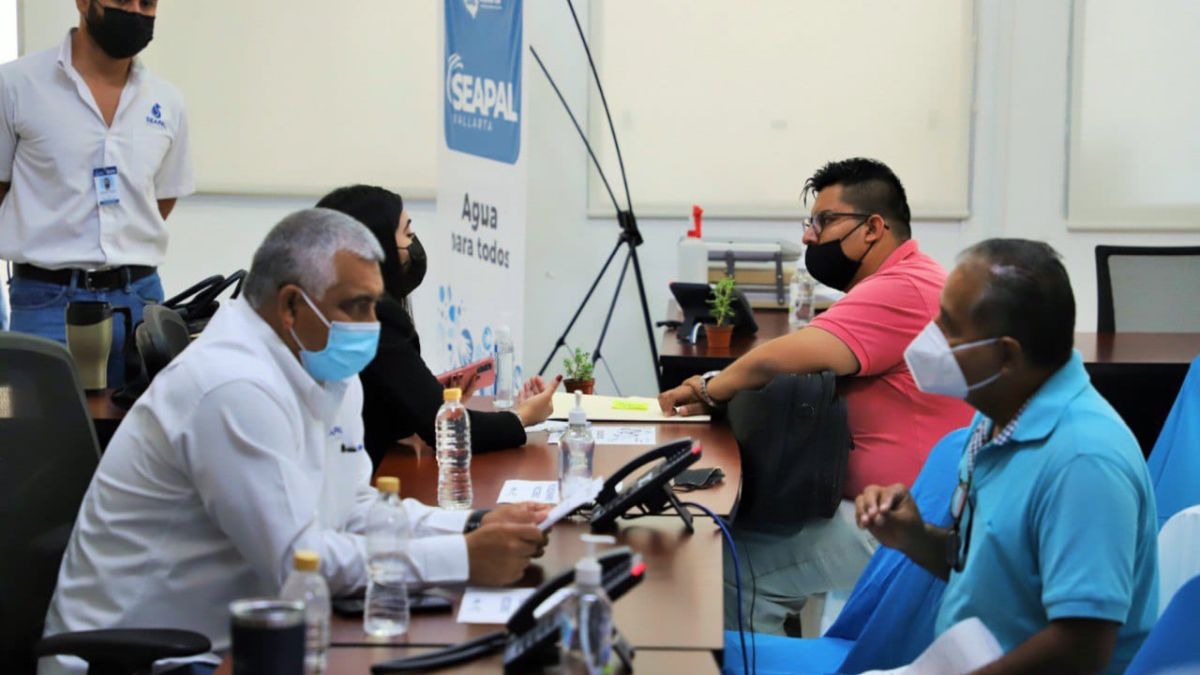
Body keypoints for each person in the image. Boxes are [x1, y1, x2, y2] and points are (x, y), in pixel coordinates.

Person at [41, 209, 550, 674]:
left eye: (376, 306)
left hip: (241, 638)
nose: (372, 327)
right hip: (148, 659)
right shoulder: (230, 386)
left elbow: (353, 509)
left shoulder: (325, 368)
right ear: (290, 305)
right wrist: (463, 557)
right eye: (358, 307)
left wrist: (472, 524)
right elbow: (299, 562)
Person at [659, 158, 974, 635]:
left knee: (730, 565)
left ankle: (760, 662)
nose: (810, 236)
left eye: (825, 221)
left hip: (901, 521)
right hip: (891, 507)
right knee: (756, 531)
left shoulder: (904, 287)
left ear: (873, 228)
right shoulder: (907, 279)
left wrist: (708, 388)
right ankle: (792, 648)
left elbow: (779, 359)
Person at [856, 239, 1158, 674]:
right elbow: (984, 566)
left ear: (1006, 355)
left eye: (948, 325)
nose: (930, 335)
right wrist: (913, 536)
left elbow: (1083, 646)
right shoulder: (998, 418)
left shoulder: (1084, 461)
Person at [0, 0, 193, 387]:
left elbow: (160, 199)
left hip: (140, 303)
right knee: (48, 424)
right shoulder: (16, 85)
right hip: (46, 302)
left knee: (138, 425)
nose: (135, 11)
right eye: (121, 0)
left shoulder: (167, 101)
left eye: (147, 3)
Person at [317, 185, 559, 469]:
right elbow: (448, 432)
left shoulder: (338, 304)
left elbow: (382, 404)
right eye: (407, 233)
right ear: (376, 248)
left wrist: (433, 398)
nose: (414, 242)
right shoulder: (375, 316)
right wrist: (524, 416)